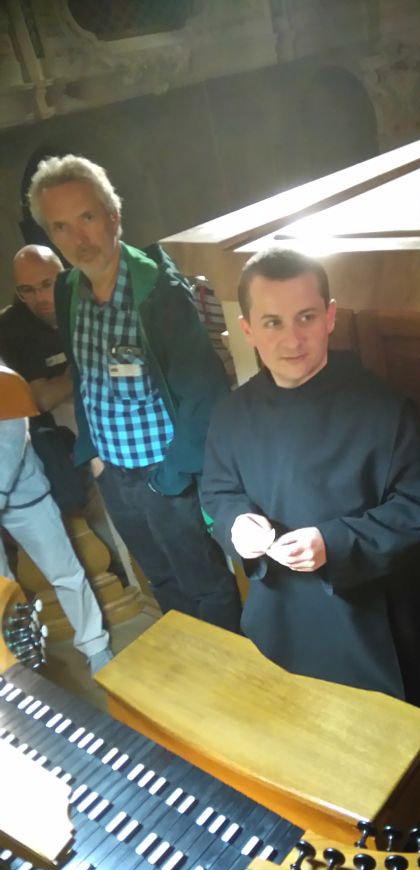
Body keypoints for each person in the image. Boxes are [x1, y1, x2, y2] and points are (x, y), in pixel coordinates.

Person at [201, 247, 420, 700]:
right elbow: (216, 493)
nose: (292, 339)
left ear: (330, 317)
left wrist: (333, 543)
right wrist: (236, 523)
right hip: (274, 620)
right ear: (247, 329)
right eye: (272, 322)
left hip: (368, 626)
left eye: (306, 317)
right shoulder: (230, 414)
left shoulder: (386, 409)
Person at [27, 154, 241, 631]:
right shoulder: (68, 290)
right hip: (114, 475)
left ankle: (228, 671)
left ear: (113, 216)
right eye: (61, 227)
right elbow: (83, 374)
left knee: (205, 584)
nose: (78, 238)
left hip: (165, 473)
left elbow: (204, 396)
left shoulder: (158, 292)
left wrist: (171, 476)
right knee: (160, 580)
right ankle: (187, 664)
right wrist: (93, 454)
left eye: (87, 217)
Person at [0, 367, 112, 674]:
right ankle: (13, 662)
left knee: (66, 574)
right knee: (3, 588)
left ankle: (95, 645)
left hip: (27, 498)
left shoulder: (5, 380)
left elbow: (8, 443)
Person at [0, 245, 87, 511]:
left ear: (65, 275)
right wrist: (85, 368)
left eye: (47, 284)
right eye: (26, 290)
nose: (39, 298)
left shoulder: (88, 297)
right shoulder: (14, 326)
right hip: (36, 427)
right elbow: (41, 399)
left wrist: (69, 377)